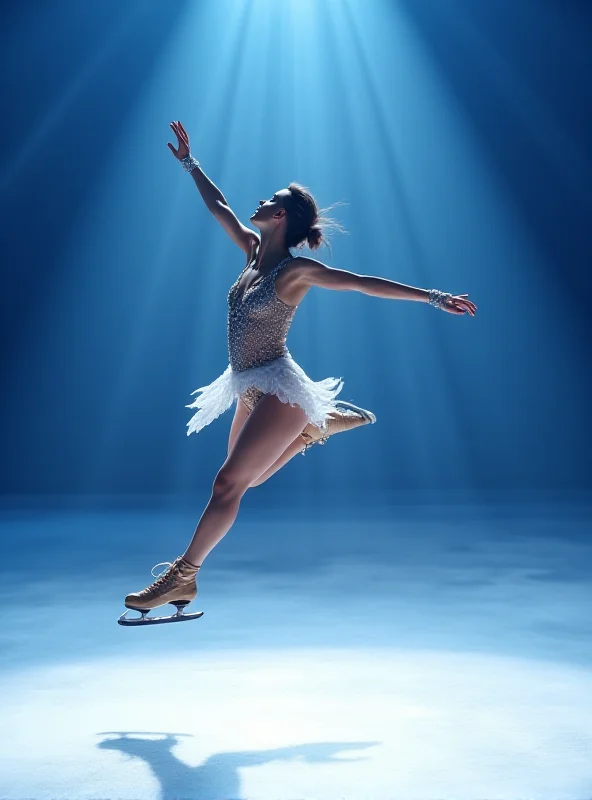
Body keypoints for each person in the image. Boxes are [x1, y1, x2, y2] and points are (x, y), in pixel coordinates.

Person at [120, 120, 477, 624]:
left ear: (281, 214)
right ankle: (318, 427)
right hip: (247, 383)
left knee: (226, 483)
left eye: (270, 198)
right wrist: (190, 164)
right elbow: (218, 206)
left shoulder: (294, 271)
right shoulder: (250, 254)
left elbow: (361, 283)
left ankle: (184, 575)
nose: (259, 201)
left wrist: (434, 297)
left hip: (279, 385)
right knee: (245, 482)